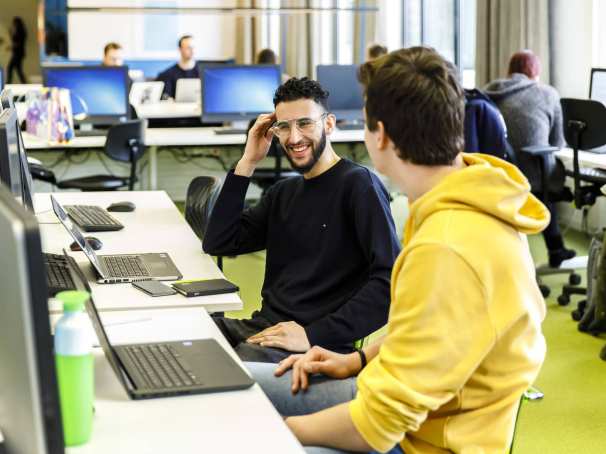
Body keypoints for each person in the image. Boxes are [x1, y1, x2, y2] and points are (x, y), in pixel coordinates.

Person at [248, 47, 549, 454]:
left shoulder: (447, 247)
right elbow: (438, 334)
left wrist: (280, 431)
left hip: (421, 442)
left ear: (381, 135)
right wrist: (358, 359)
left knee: (242, 420)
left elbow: (376, 426)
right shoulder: (473, 197)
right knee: (235, 382)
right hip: (398, 402)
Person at [203, 77, 400, 363]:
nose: (294, 138)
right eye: (284, 126)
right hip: (266, 329)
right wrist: (248, 162)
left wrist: (313, 335)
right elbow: (220, 241)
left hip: (318, 345)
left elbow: (389, 283)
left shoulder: (359, 186)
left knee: (233, 364)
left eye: (305, 123)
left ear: (329, 124)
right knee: (189, 331)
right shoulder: (284, 192)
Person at [484, 49, 575, 268]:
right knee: (547, 173)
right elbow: (558, 142)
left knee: (541, 172)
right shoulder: (547, 93)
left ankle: (551, 250)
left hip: (497, 171)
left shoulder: (488, 92)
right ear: (535, 71)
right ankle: (556, 249)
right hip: (533, 174)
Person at [156, 35, 198, 99]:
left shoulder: (203, 72)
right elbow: (165, 96)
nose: (192, 51)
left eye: (194, 47)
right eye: (188, 48)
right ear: (180, 49)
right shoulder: (168, 74)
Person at [7, 17, 27, 83]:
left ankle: (8, 82)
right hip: (18, 53)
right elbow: (15, 41)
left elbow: (18, 43)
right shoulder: (19, 31)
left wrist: (11, 47)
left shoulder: (20, 32)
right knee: (18, 70)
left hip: (18, 53)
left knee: (10, 68)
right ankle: (24, 83)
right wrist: (10, 33)